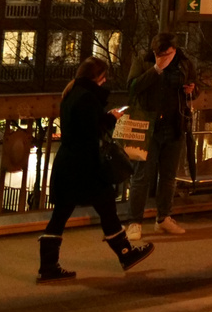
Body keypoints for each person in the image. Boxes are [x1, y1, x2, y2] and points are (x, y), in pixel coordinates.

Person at [38, 57, 155, 282]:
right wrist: (110, 119)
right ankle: (125, 253)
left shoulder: (71, 93)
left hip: (68, 163)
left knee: (61, 214)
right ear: (98, 77)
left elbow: (82, 127)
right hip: (85, 165)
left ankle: (48, 266)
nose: (105, 82)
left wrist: (105, 117)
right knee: (106, 206)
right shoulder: (88, 98)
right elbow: (91, 131)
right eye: (104, 78)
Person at [126, 32, 196, 240]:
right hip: (147, 125)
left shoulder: (184, 63)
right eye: (160, 54)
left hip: (174, 125)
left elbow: (194, 89)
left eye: (168, 54)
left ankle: (163, 217)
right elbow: (132, 87)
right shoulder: (144, 61)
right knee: (141, 176)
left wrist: (192, 90)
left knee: (168, 176)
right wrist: (156, 70)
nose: (164, 57)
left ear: (175, 51)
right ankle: (134, 222)